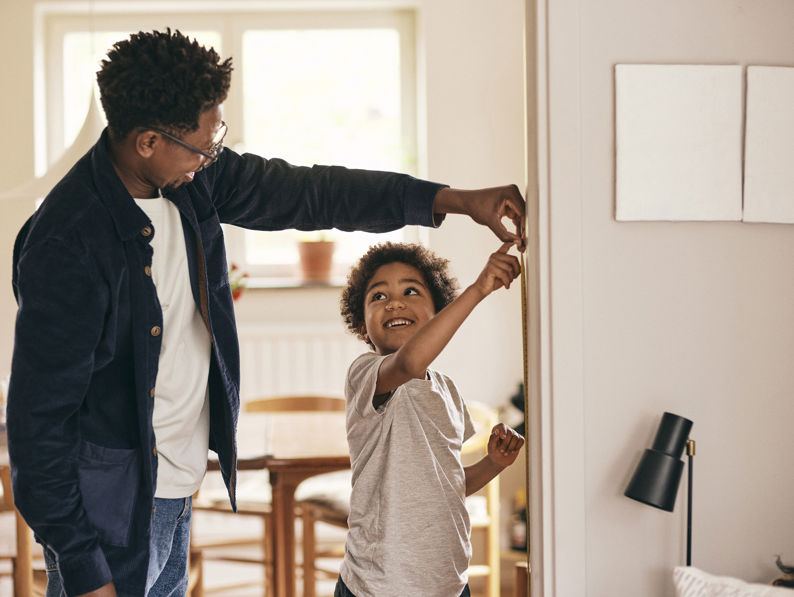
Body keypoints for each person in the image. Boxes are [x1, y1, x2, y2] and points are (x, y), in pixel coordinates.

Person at [6, 28, 525, 597]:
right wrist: (83, 569)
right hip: (111, 511)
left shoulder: (191, 178)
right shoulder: (65, 243)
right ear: (149, 142)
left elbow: (311, 193)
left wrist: (450, 200)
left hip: (178, 489)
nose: (213, 158)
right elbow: (37, 427)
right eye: (204, 146)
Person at [336, 241, 525, 597]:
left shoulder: (447, 391)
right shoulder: (366, 374)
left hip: (447, 582)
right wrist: (479, 288)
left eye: (411, 291)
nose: (394, 302)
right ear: (363, 328)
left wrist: (494, 463)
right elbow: (408, 363)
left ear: (437, 314)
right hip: (379, 585)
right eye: (378, 297)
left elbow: (447, 484)